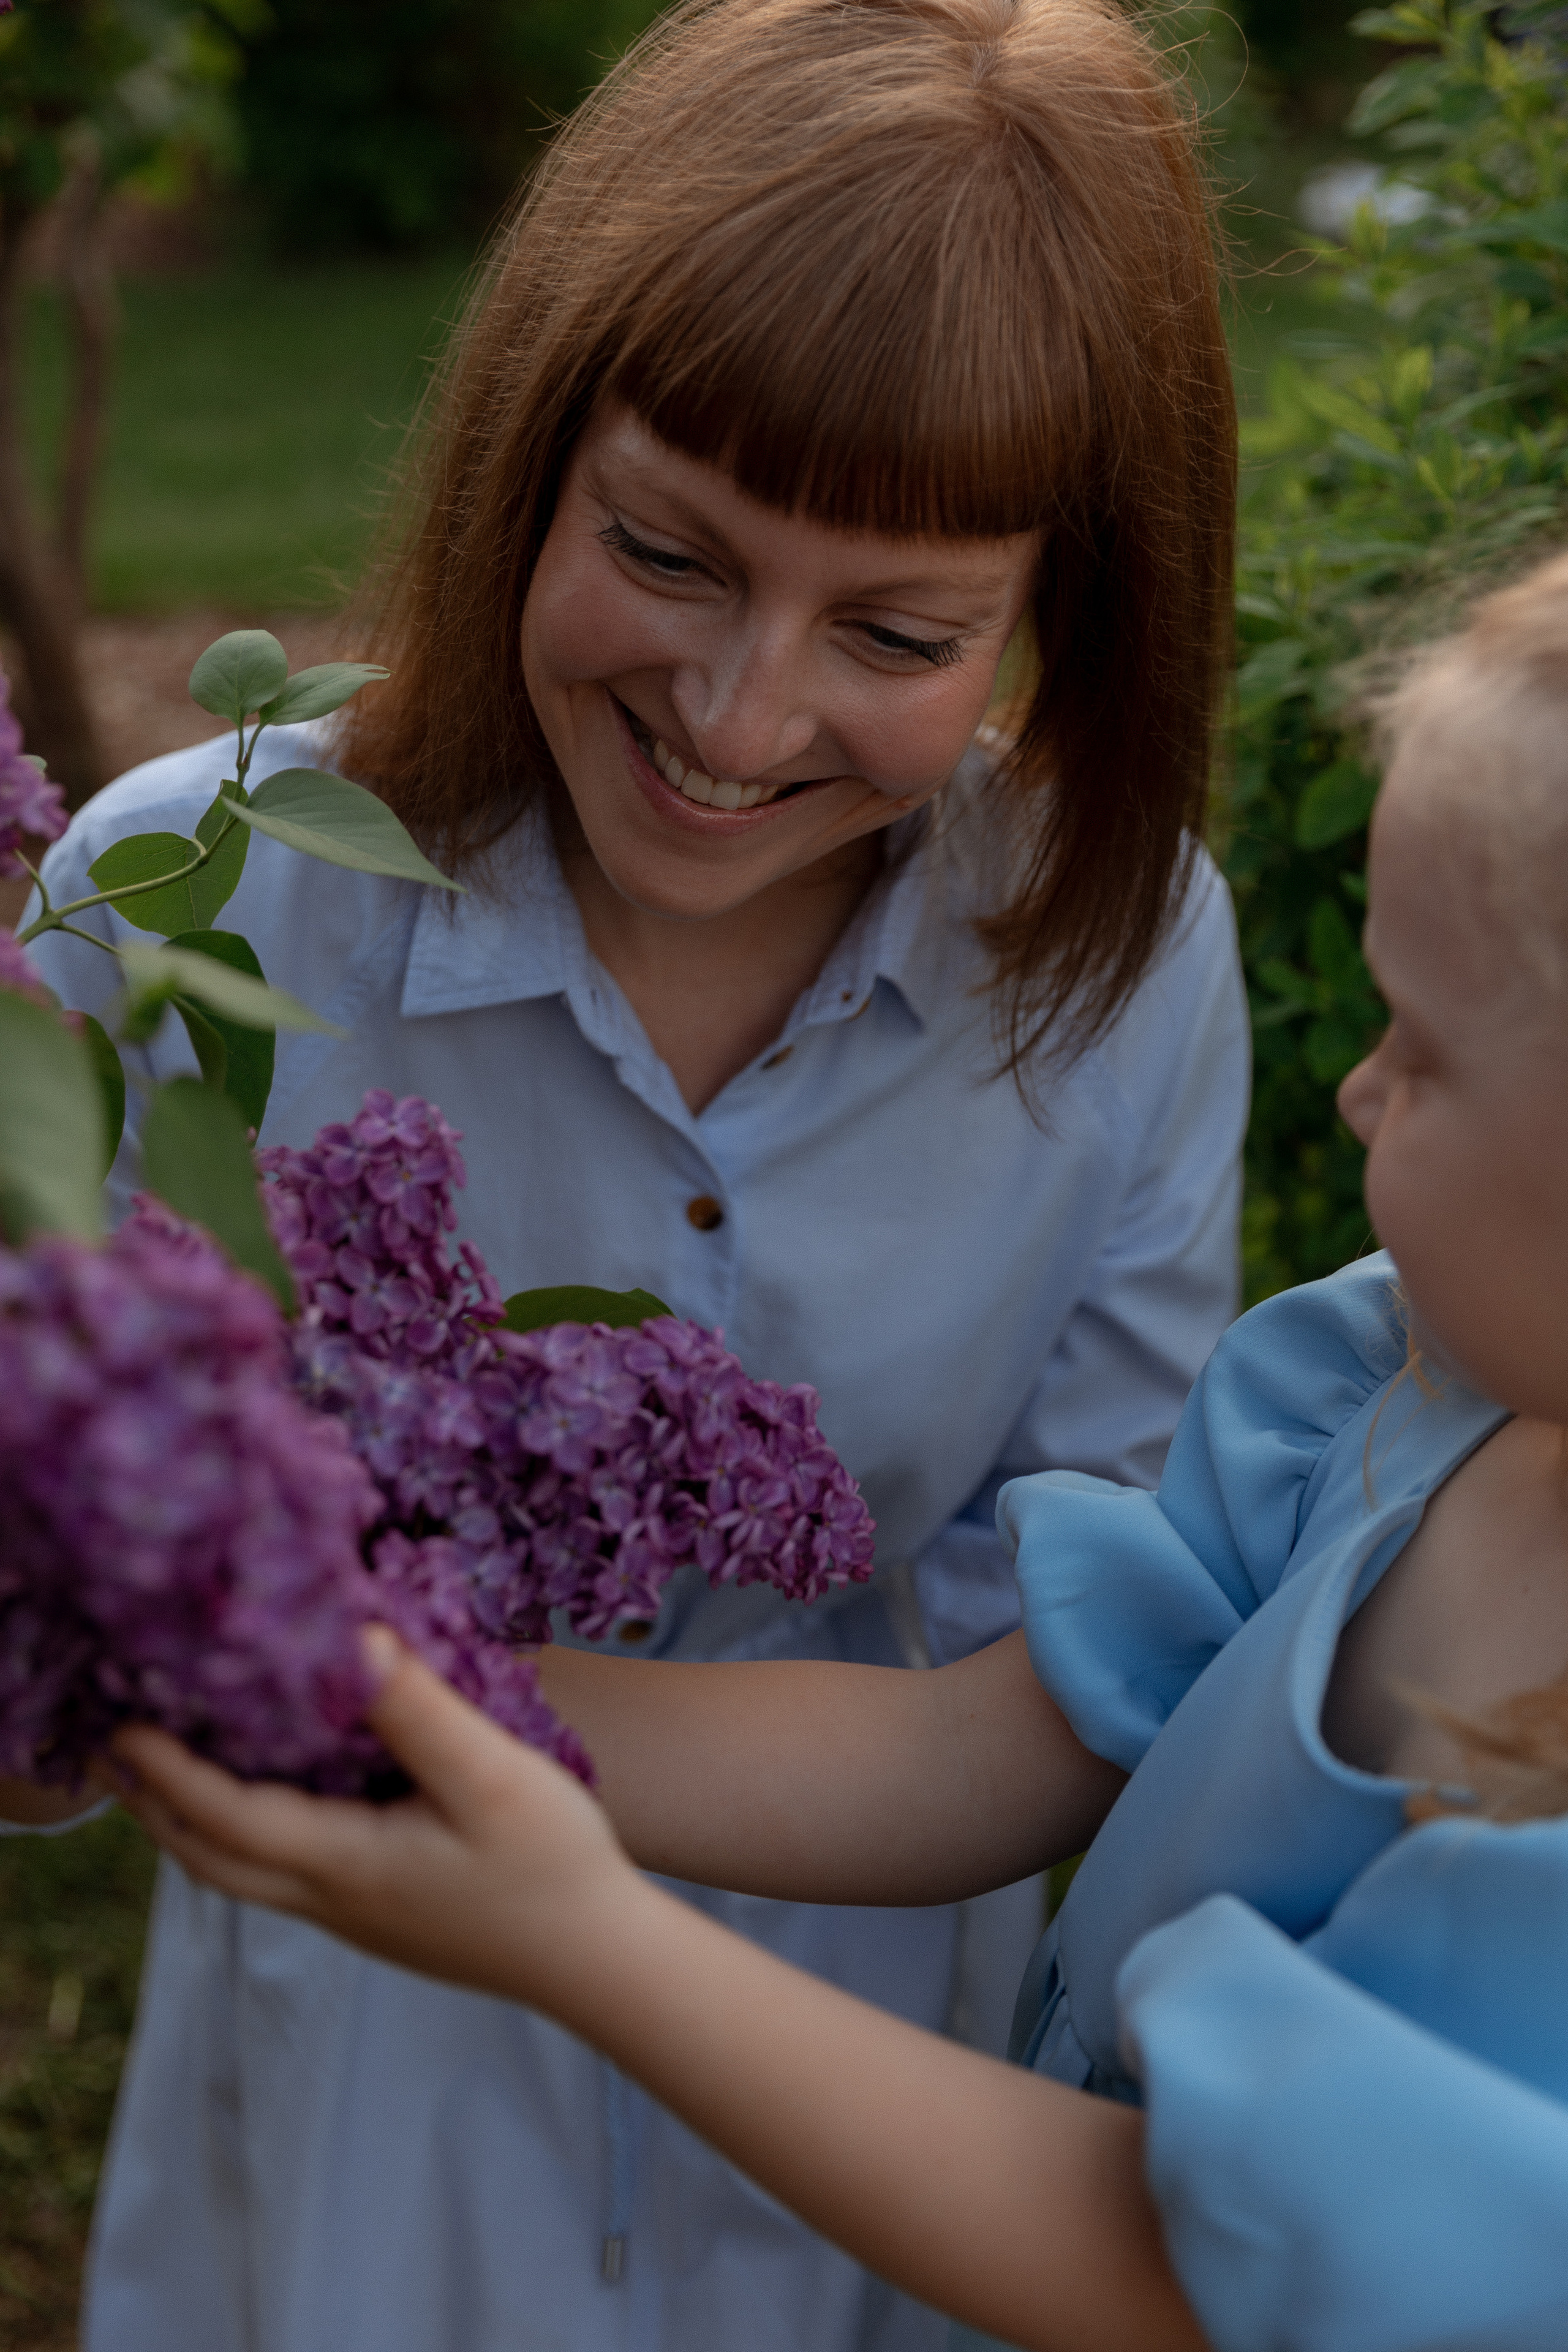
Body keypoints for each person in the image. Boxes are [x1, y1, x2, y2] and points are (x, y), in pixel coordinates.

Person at [14, 3, 1248, 2347]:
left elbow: (1076, 1652)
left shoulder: (1126, 950)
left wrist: (398, 1692)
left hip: (871, 2107)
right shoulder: (188, 905)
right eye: (668, 556)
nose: (742, 713)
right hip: (358, 2099)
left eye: (898, 633)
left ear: (1060, 608)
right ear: (526, 455)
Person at [103, 546, 1568, 2352]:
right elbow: (981, 1749)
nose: (1358, 1086)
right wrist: (364, 1683)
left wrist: (585, 1938)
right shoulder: (1385, 1389)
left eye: (1419, 1052)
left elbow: (1180, 2272)